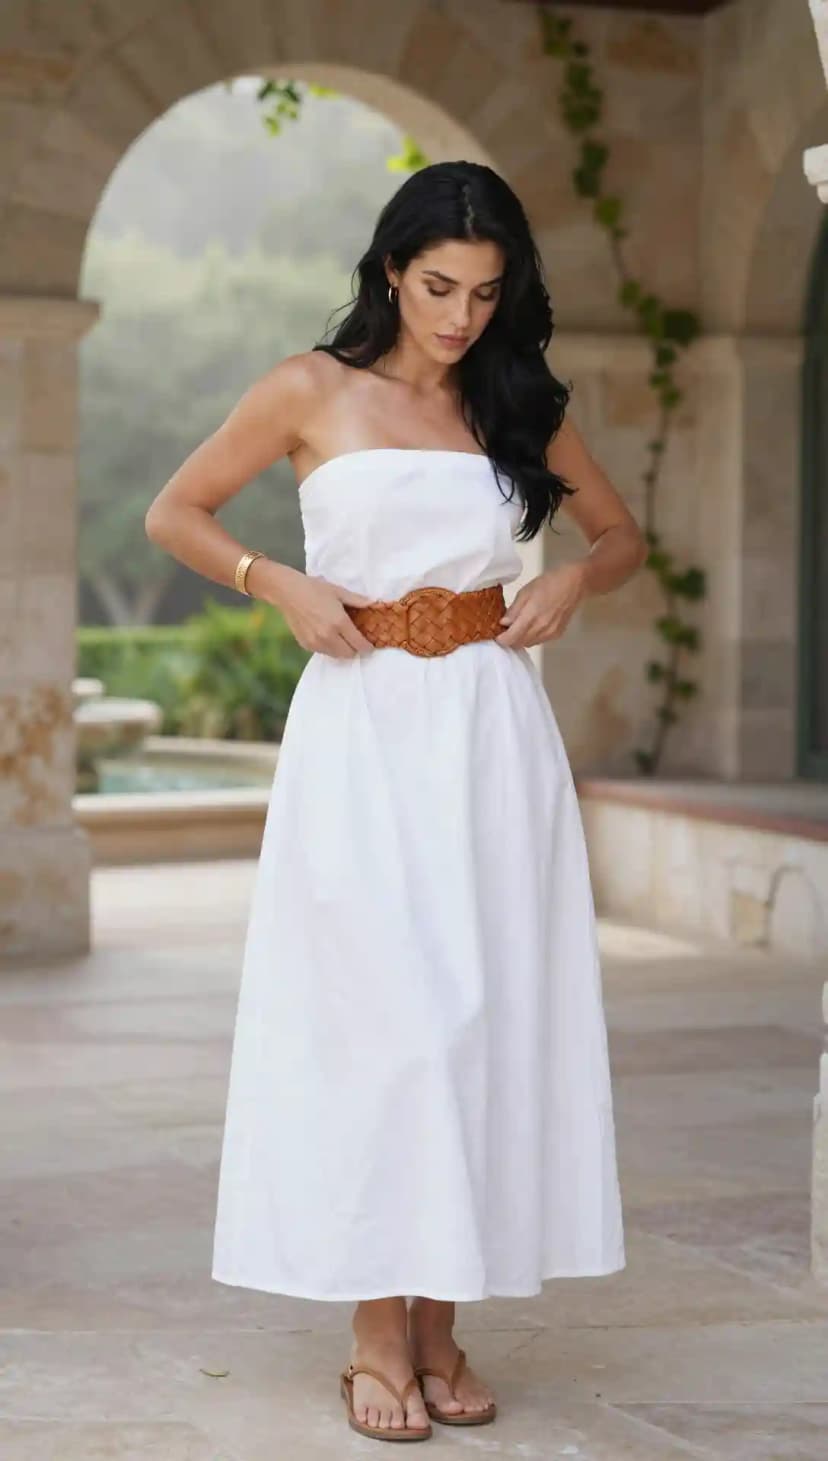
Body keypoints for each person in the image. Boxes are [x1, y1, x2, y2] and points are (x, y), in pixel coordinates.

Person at [145, 159, 646, 1444]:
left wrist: (577, 584)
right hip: (363, 730)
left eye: (485, 292)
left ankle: (442, 1321)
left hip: (492, 732)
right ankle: (376, 1326)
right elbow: (176, 511)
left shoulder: (517, 401)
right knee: (385, 1021)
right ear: (390, 270)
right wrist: (274, 579)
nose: (460, 316)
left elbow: (621, 535)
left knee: (478, 1020)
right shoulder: (310, 389)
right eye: (438, 286)